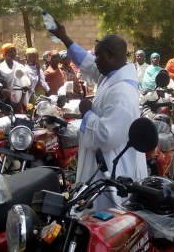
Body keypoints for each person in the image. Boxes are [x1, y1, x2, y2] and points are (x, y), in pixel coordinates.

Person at [49, 21, 147, 211]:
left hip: (112, 171)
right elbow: (86, 61)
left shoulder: (122, 93)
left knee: (105, 223)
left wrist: (87, 114)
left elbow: (107, 136)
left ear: (110, 55)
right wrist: (64, 37)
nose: (94, 60)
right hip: (102, 166)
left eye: (98, 55)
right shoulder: (111, 74)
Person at [0, 43, 26, 112]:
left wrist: (20, 102)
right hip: (6, 101)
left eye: (14, 51)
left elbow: (25, 86)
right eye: (10, 51)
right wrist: (10, 100)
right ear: (4, 53)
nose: (13, 53)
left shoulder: (20, 67)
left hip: (19, 100)